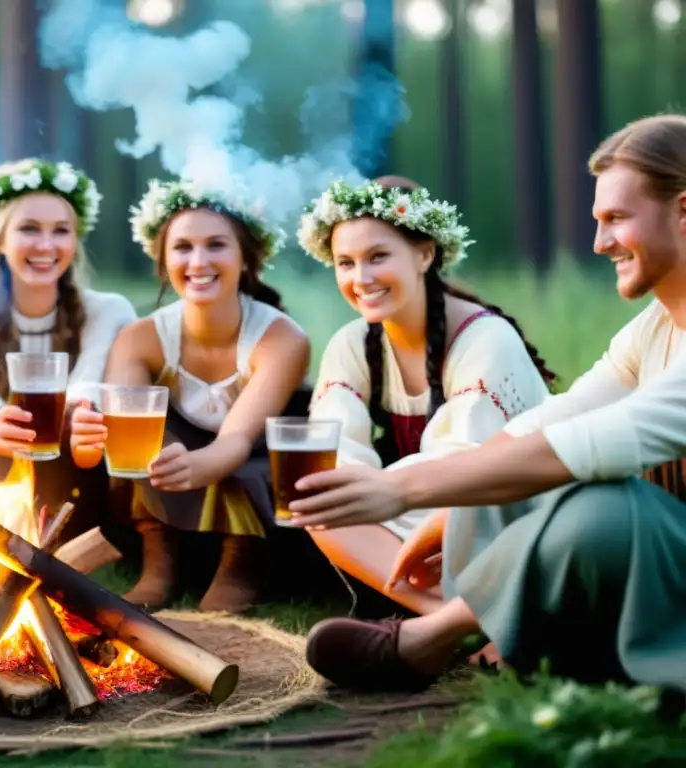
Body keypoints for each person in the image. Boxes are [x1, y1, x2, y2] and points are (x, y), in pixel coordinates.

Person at [290, 114, 686, 693]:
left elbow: (600, 442)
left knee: (606, 509)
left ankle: (432, 638)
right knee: (488, 482)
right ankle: (512, 626)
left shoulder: (481, 335)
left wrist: (401, 491)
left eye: (617, 220)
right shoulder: (652, 329)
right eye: (598, 221)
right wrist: (451, 505)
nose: (600, 243)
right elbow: (551, 421)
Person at [295, 176, 556, 615]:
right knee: (324, 506)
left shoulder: (485, 338)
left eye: (377, 256)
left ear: (424, 254)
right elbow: (333, 451)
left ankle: (462, 613)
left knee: (458, 510)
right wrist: (354, 490)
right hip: (413, 502)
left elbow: (468, 467)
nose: (361, 278)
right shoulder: (352, 343)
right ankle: (446, 616)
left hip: (501, 508)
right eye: (345, 263)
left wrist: (381, 490)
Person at [70, 177, 312, 614]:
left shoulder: (282, 338)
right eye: (183, 247)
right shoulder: (140, 338)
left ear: (246, 258)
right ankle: (158, 558)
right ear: (162, 260)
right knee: (138, 436)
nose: (198, 261)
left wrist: (200, 463)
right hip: (174, 473)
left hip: (248, 462)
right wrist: (90, 442)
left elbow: (237, 440)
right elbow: (118, 441)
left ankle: (242, 564)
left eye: (216, 245)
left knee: (259, 460)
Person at [0, 158, 137, 540]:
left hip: (79, 472)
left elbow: (87, 387)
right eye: (28, 229)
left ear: (75, 241)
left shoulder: (109, 311)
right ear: (0, 241)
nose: (45, 245)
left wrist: (75, 417)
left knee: (84, 422)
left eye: (61, 231)